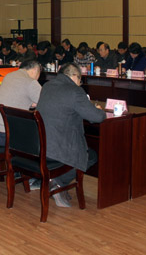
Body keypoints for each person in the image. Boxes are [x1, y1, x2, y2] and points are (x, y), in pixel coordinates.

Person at [36, 63, 105, 207]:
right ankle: (58, 182)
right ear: (74, 76)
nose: (80, 83)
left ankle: (55, 182)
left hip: (41, 144)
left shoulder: (47, 86)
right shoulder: (75, 90)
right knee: (91, 155)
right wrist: (99, 110)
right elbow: (97, 117)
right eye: (80, 80)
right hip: (58, 148)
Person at [0, 60, 42, 146]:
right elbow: (45, 102)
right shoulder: (31, 82)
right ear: (35, 70)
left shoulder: (8, 76)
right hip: (9, 134)